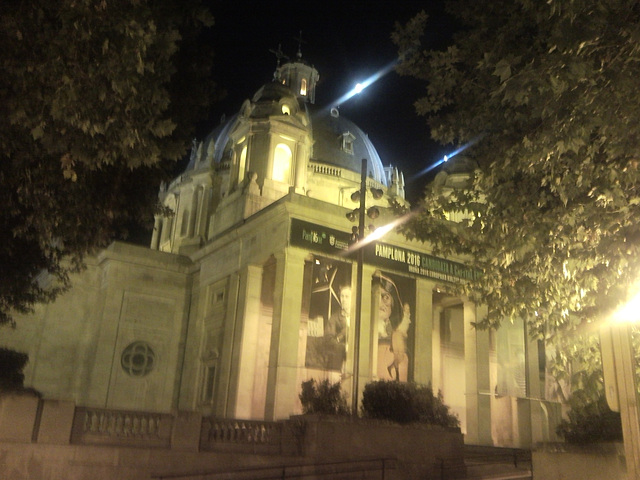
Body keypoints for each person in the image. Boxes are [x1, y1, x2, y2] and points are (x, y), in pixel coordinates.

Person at [324, 285, 351, 370]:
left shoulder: (358, 318)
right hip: (339, 360)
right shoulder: (335, 318)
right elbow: (328, 340)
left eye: (347, 297)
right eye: (342, 296)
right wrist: (342, 336)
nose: (344, 300)